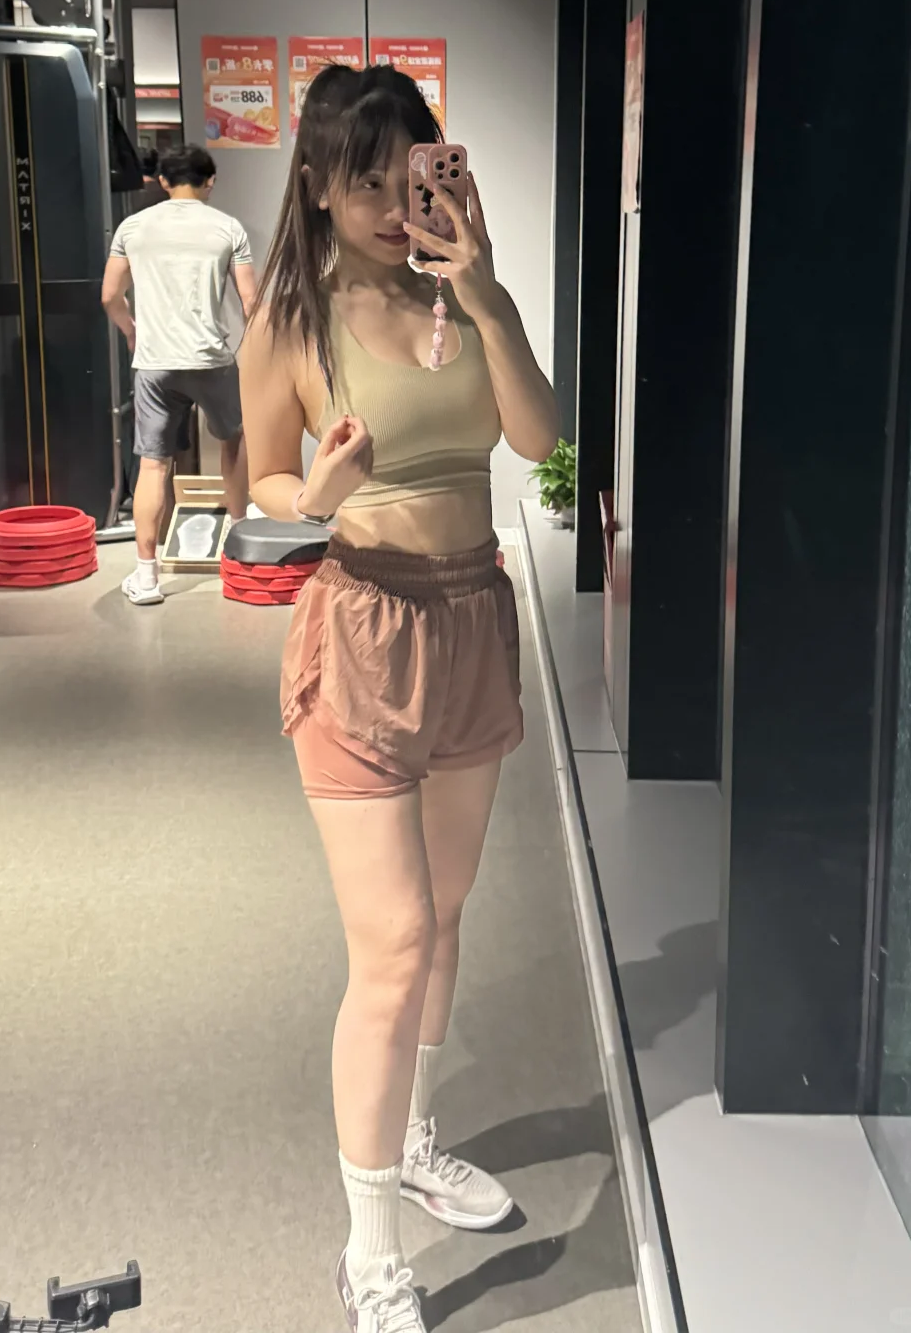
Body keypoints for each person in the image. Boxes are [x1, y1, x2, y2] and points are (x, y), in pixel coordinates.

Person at [238, 65, 559, 1331]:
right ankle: (371, 1251)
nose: (388, 207)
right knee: (394, 944)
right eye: (364, 183)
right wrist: (315, 497)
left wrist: (484, 291)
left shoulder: (459, 298)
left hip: (474, 620)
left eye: (408, 178)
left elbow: (538, 438)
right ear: (318, 185)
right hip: (363, 632)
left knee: (449, 911)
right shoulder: (292, 319)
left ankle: (414, 1141)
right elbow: (264, 483)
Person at [102, 143, 257, 605]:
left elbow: (110, 295)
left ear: (164, 181)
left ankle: (146, 577)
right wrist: (257, 351)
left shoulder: (132, 228)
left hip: (155, 363)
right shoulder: (227, 227)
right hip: (212, 359)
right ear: (210, 182)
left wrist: (132, 331)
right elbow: (251, 300)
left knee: (154, 463)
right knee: (235, 441)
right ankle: (239, 544)